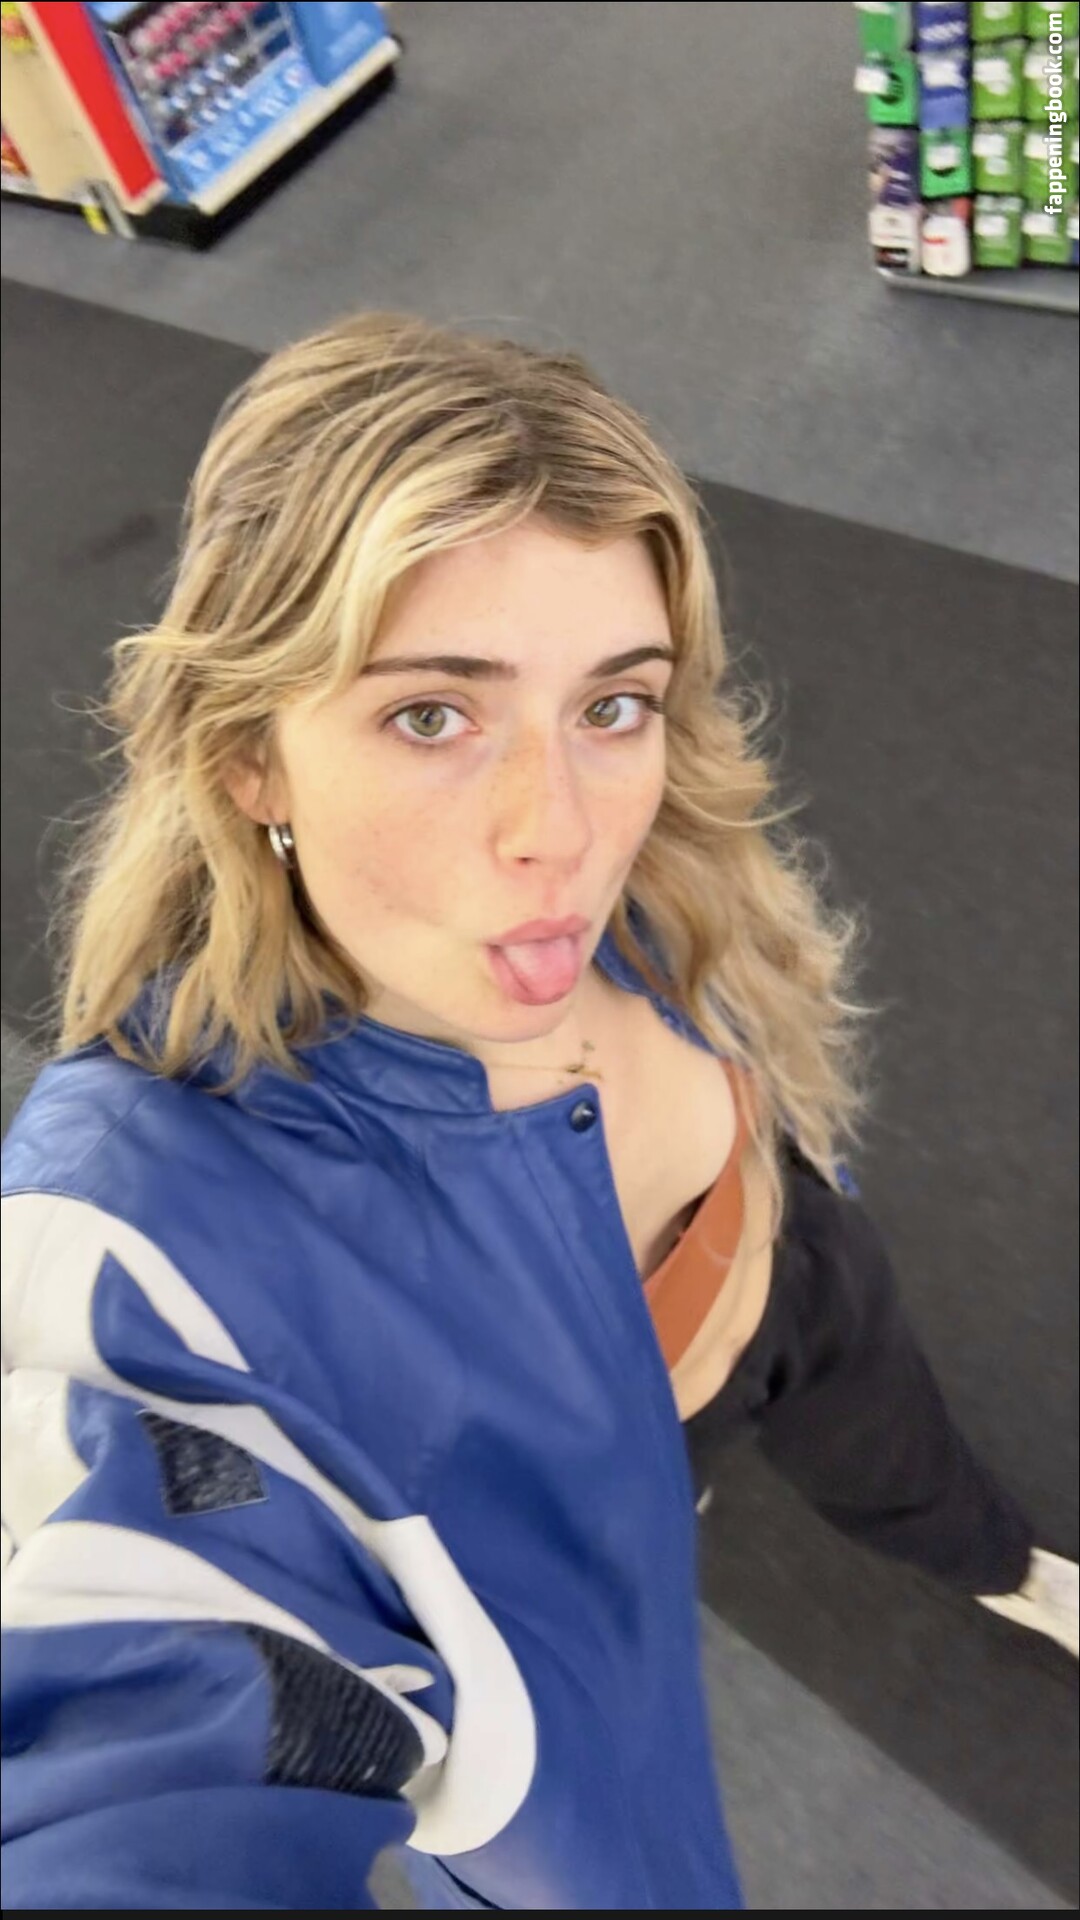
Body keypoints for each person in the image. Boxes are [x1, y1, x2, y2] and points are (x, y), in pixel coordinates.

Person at [1, 312, 1075, 1914]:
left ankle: (994, 1561)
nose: (562, 833)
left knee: (901, 1454)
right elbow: (131, 1735)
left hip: (786, 1255)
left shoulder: (660, 881)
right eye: (433, 714)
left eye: (612, 704)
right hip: (622, 1444)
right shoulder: (144, 1233)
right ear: (249, 759)